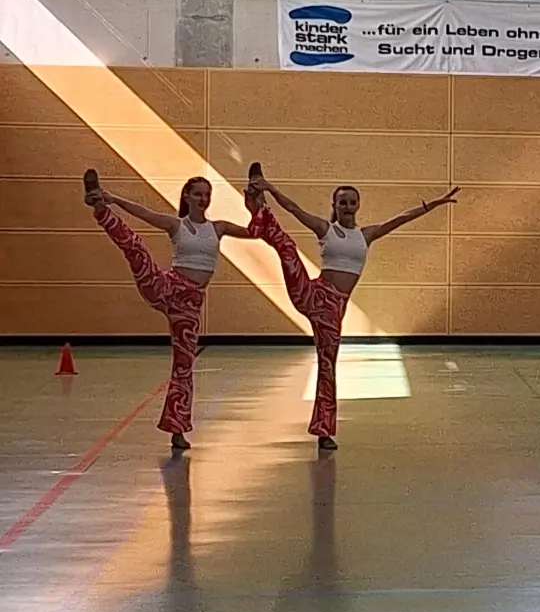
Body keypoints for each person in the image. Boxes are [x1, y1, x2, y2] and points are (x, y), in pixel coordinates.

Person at [244, 163, 458, 452]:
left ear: (358, 206)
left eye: (351, 202)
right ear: (335, 205)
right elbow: (294, 209)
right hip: (313, 294)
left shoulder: (365, 236)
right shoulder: (325, 229)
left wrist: (434, 204)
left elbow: (400, 219)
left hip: (334, 309)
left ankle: (323, 431)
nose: (347, 206)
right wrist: (270, 188)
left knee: (327, 366)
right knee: (287, 248)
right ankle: (258, 205)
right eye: (342, 202)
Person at [81, 169, 250, 453]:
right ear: (187, 196)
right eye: (198, 194)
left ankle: (177, 430)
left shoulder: (218, 228)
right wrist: (113, 199)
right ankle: (100, 208)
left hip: (190, 305)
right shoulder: (176, 225)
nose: (203, 199)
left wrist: (256, 203)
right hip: (166, 288)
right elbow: (144, 213)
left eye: (207, 195)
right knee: (136, 248)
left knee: (184, 366)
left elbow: (255, 232)